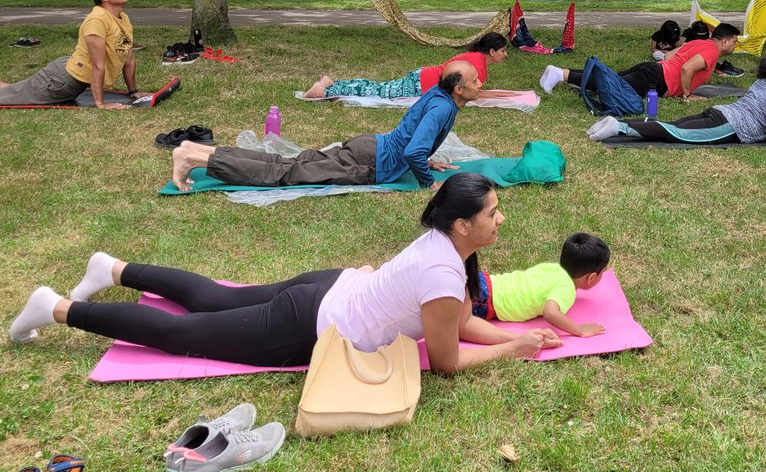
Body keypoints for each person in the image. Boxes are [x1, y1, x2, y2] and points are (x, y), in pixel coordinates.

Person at [9, 174, 561, 374]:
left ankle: (111, 268)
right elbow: (445, 362)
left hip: (328, 285)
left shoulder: (443, 243)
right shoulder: (444, 273)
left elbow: (459, 322)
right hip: (311, 323)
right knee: (184, 334)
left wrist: (515, 336)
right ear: (463, 224)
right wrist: (512, 349)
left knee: (213, 298)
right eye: (493, 212)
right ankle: (55, 308)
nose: (500, 219)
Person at [171, 61, 483, 192]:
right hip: (369, 162)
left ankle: (196, 150)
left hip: (370, 147)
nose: (480, 83)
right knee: (284, 173)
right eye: (475, 80)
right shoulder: (443, 107)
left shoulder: (439, 95)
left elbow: (413, 139)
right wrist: (428, 183)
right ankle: (194, 158)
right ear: (458, 89)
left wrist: (425, 157)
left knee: (288, 163)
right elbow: (413, 149)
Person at [586, 50, 766, 149]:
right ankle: (619, 127)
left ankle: (618, 125)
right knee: (675, 133)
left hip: (720, 113)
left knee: (673, 126)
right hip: (728, 125)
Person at [0, 0, 141, 108]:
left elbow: (128, 60)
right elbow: (97, 65)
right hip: (60, 81)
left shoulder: (123, 18)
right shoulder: (97, 21)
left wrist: (133, 92)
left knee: (16, 90)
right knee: (7, 97)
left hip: (68, 74)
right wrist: (101, 104)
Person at [540, 22, 741, 102]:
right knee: (611, 85)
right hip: (655, 78)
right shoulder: (712, 51)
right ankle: (560, 74)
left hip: (654, 70)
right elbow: (687, 68)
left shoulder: (700, 43)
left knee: (612, 78)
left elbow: (670, 56)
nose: (735, 45)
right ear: (724, 41)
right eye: (734, 42)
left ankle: (559, 72)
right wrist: (687, 95)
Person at [472, 233, 610, 337]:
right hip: (484, 301)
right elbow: (550, 312)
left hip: (483, 280)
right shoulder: (567, 288)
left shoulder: (551, 267)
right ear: (591, 278)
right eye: (602, 273)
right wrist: (580, 330)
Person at [304, 32, 508, 100]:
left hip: (422, 77)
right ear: (492, 52)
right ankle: (325, 90)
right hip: (422, 84)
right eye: (503, 51)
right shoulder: (477, 65)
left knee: (378, 87)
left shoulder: (476, 59)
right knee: (378, 92)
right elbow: (469, 93)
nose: (505, 55)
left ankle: (334, 83)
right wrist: (497, 95)